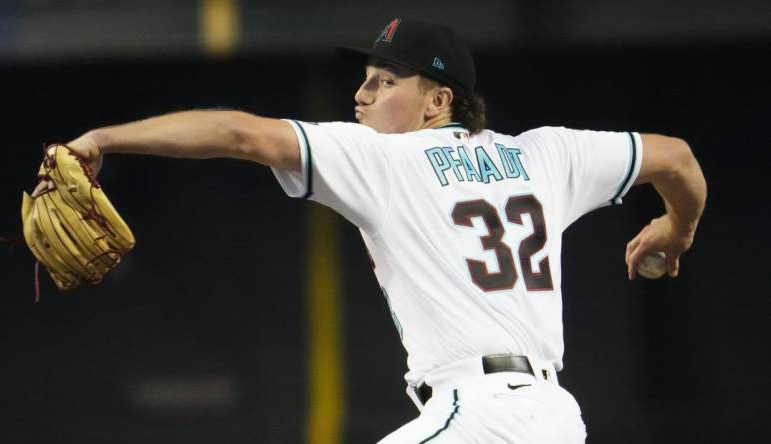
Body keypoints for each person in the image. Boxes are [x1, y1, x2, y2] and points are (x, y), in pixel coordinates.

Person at [46, 18, 706, 443]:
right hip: (556, 419)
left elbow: (239, 132)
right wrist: (676, 231)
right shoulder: (548, 154)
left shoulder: (386, 158)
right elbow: (676, 158)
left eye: (385, 81)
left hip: (477, 415)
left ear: (438, 101)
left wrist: (103, 138)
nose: (361, 96)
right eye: (362, 81)